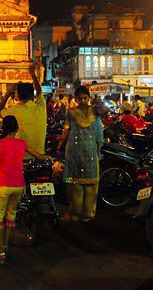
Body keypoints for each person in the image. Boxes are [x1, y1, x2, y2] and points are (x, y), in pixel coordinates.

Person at [0, 115, 48, 264]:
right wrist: (48, 158)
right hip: (18, 185)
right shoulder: (22, 144)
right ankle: (5, 246)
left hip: (2, 185)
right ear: (17, 129)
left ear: (3, 128)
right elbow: (39, 156)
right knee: (11, 215)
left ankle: (0, 254)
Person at [58, 85, 103, 222]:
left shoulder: (95, 112)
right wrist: (60, 145)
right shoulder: (72, 113)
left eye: (85, 98)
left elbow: (98, 132)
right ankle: (79, 213)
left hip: (85, 151)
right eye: (80, 98)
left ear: (89, 98)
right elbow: (66, 131)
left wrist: (60, 146)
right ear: (76, 99)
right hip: (76, 152)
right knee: (75, 185)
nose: (83, 101)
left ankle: (85, 214)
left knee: (88, 185)